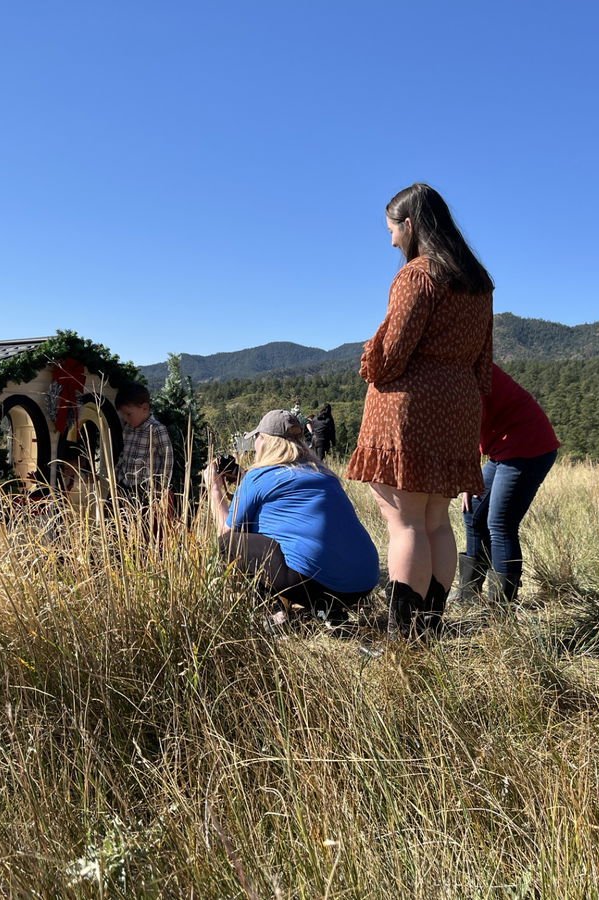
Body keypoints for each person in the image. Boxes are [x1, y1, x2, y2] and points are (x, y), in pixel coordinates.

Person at [345, 183, 493, 637]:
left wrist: (370, 353)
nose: (391, 240)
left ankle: (402, 640)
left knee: (404, 522)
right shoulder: (477, 282)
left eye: (392, 230)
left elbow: (390, 355)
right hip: (458, 408)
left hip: (410, 409)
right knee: (435, 521)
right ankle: (427, 630)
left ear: (409, 225)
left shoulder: (418, 275)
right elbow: (483, 363)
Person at [205, 409, 379, 626]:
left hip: (311, 582)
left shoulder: (258, 477)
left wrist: (214, 489)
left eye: (257, 437)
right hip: (363, 582)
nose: (255, 444)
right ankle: (327, 609)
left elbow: (227, 531)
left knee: (228, 544)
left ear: (266, 441)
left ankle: (274, 610)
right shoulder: (324, 474)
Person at [457, 364, 559, 606]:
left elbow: (469, 424)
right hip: (502, 451)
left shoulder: (467, 369)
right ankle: (468, 595)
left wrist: (468, 475)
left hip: (528, 447)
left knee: (500, 523)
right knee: (472, 513)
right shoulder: (458, 366)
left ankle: (501, 608)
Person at [115, 383, 174, 508]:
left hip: (145, 490)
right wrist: (116, 476)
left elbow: (167, 459)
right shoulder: (128, 429)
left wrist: (160, 487)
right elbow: (123, 454)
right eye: (123, 415)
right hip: (125, 487)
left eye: (128, 414)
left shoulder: (157, 429)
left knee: (143, 523)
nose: (125, 419)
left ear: (145, 408)